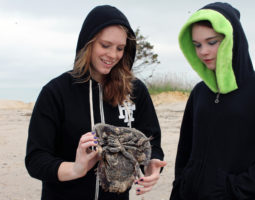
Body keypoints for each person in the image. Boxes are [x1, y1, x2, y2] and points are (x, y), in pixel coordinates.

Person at [25, 5, 166, 200]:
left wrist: (151, 163)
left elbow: (151, 139)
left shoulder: (135, 91)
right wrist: (76, 169)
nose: (113, 55)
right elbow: (36, 160)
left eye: (120, 48)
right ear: (88, 43)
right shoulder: (56, 92)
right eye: (105, 45)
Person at [170, 2, 255, 200]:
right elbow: (185, 151)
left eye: (212, 42)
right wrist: (181, 186)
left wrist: (232, 188)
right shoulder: (199, 92)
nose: (203, 51)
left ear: (232, 39)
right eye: (197, 45)